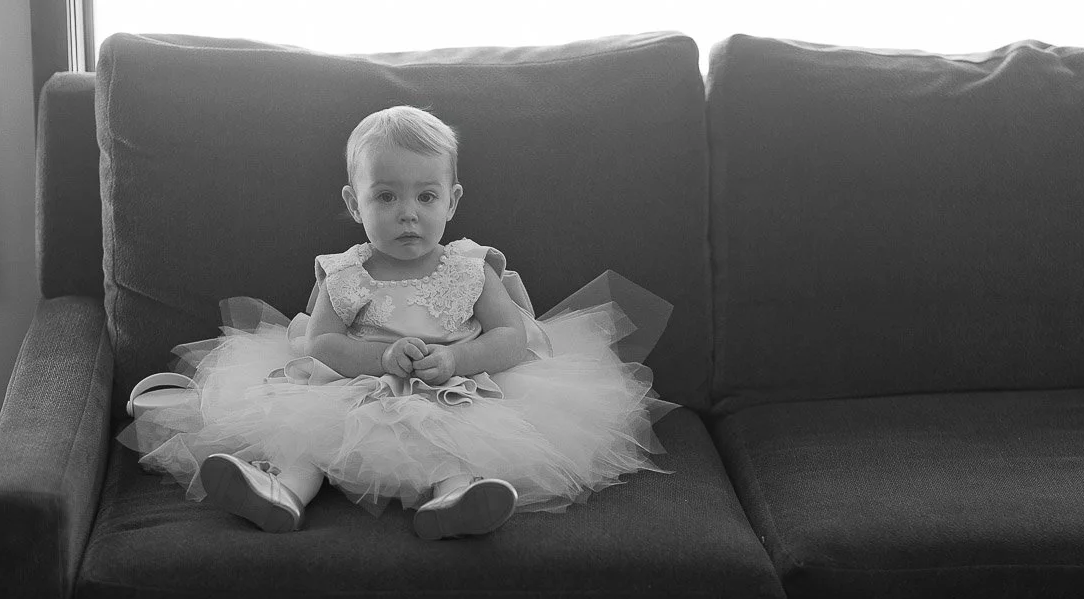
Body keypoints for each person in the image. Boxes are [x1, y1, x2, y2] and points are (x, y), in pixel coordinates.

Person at [120, 105, 675, 539]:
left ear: (452, 201)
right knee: (305, 436)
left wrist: (457, 358)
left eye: (425, 195)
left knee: (457, 445)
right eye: (385, 196)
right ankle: (281, 492)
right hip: (355, 389)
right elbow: (322, 342)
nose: (408, 212)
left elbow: (512, 339)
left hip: (453, 388)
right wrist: (381, 358)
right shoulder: (346, 273)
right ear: (353, 202)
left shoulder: (469, 268)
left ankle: (458, 499)